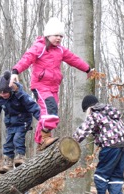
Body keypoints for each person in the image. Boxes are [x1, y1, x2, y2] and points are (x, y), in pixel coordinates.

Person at [9, 17, 94, 151]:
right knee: (50, 109)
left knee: (47, 113)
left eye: (61, 36)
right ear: (48, 35)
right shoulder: (40, 47)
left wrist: (87, 69)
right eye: (56, 35)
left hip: (53, 87)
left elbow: (73, 59)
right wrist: (15, 71)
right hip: (40, 86)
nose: (59, 38)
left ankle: (40, 141)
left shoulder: (60, 50)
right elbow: (27, 58)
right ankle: (45, 136)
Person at [72, 95, 124, 194]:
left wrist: (72, 142)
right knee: (116, 176)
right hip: (123, 145)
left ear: (89, 107)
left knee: (101, 174)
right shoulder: (110, 112)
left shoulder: (94, 113)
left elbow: (83, 130)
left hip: (110, 146)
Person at [0, 70, 40, 174]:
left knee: (18, 138)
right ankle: (8, 162)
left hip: (23, 121)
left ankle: (20, 156)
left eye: (5, 92)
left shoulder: (20, 95)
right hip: (10, 123)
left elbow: (32, 105)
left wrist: (41, 118)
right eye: (1, 92)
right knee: (8, 142)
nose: (3, 94)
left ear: (10, 89)